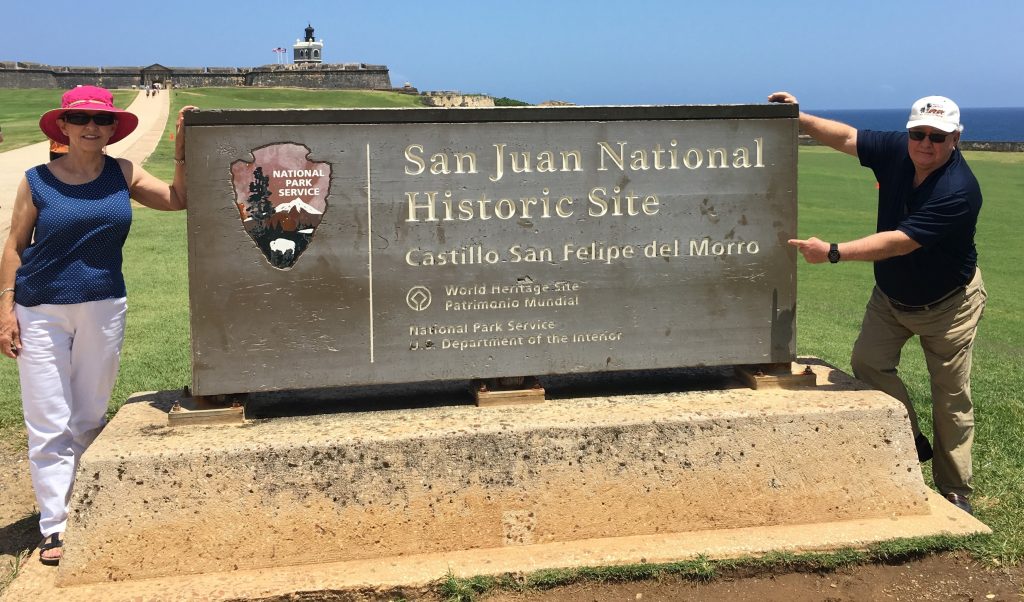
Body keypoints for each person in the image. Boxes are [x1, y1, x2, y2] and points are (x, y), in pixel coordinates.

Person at [0, 86, 197, 565]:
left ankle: (87, 501)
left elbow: (176, 200)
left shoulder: (122, 173)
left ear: (112, 128)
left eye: (101, 120)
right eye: (80, 118)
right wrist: (6, 309)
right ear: (63, 126)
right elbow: (14, 246)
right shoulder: (37, 180)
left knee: (88, 416)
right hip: (40, 308)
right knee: (48, 419)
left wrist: (182, 150)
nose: (92, 127)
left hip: (104, 306)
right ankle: (56, 524)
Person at [769, 92, 987, 515]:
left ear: (956, 139)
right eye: (919, 134)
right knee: (868, 362)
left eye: (938, 137)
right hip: (891, 297)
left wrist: (832, 251)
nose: (926, 144)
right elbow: (849, 138)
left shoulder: (958, 191)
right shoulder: (897, 150)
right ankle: (911, 436)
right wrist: (801, 119)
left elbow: (900, 243)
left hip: (949, 306)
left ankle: (955, 487)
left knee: (950, 395)